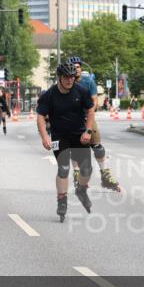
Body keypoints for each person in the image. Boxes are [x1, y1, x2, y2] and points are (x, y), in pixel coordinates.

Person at [37, 61, 96, 222]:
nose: (70, 80)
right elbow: (41, 116)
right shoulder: (50, 95)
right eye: (66, 77)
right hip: (59, 137)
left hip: (79, 135)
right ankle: (62, 200)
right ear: (59, 78)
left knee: (87, 170)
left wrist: (88, 131)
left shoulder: (81, 91)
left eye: (72, 77)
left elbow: (90, 110)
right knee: (63, 168)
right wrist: (44, 137)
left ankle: (81, 189)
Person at [69, 56, 121, 192]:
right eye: (73, 68)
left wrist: (88, 111)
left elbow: (94, 101)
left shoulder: (88, 82)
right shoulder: (66, 82)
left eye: (78, 67)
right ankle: (76, 173)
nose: (76, 70)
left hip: (88, 117)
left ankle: (105, 176)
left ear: (81, 68)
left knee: (98, 147)